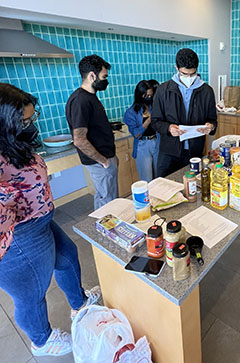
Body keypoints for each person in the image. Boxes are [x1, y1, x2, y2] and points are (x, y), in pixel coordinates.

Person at [0, 83, 101, 357]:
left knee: (67, 256)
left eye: (33, 118)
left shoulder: (13, 146)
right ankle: (42, 340)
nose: (32, 125)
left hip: (40, 221)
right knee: (31, 294)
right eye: (25, 121)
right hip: (18, 238)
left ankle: (79, 303)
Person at [151, 48, 217, 177]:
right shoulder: (163, 90)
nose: (189, 78)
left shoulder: (206, 91)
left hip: (194, 151)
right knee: (165, 185)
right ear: (176, 68)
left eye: (192, 74)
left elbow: (212, 119)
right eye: (184, 74)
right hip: (169, 151)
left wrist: (210, 126)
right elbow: (155, 121)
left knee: (192, 187)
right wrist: (169, 128)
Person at [66, 54, 118, 210]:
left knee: (106, 197)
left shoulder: (89, 97)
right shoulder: (80, 101)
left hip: (105, 158)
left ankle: (106, 229)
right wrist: (104, 161)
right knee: (107, 201)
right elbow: (79, 140)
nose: (106, 80)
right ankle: (106, 233)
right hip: (100, 163)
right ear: (91, 76)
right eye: (104, 77)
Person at [124, 80, 159, 182]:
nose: (149, 98)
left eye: (151, 95)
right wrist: (148, 121)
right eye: (146, 96)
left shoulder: (154, 107)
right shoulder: (131, 112)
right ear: (140, 95)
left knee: (159, 176)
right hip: (142, 145)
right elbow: (136, 134)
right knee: (147, 178)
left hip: (156, 142)